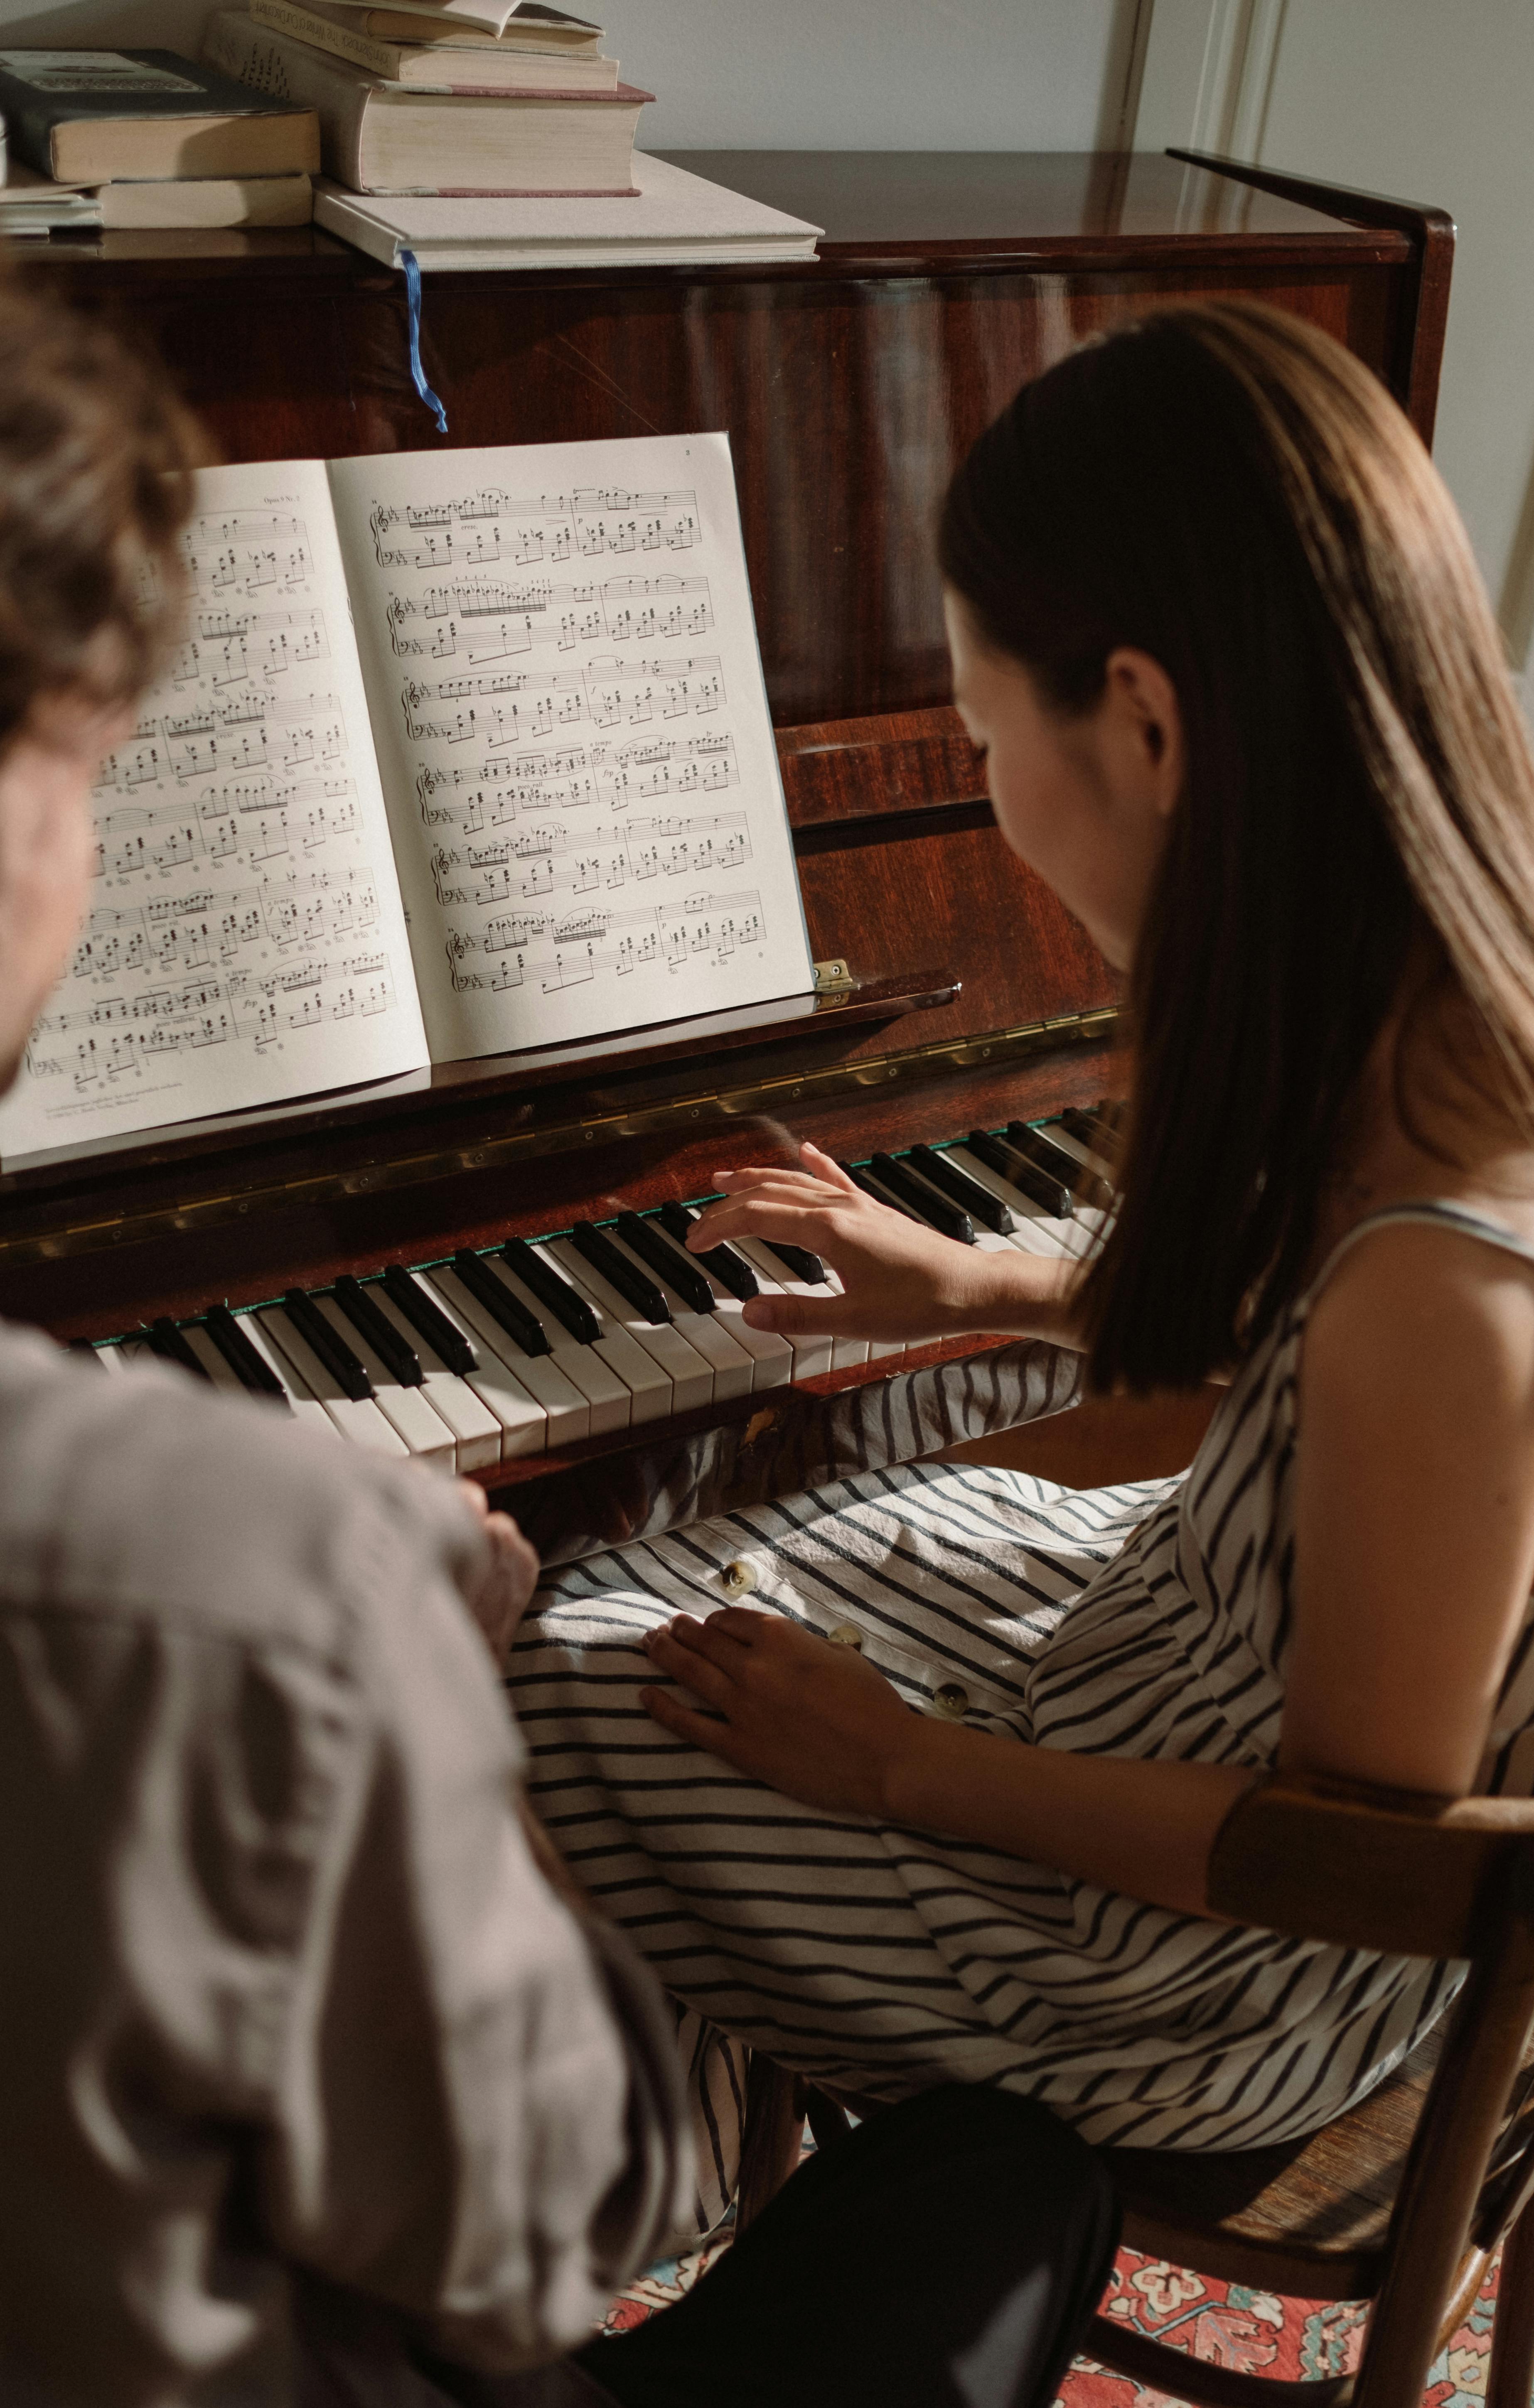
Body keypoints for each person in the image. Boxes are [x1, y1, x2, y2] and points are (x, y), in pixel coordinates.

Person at [0, 272, 1118, 2408]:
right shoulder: (248, 1586)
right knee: (998, 2183)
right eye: (86, 780)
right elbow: (564, 2216)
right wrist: (443, 1720)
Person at [516, 299, 1534, 2168]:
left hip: (1207, 1967)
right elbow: (1318, 1374)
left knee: (545, 1672)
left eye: (975, 732)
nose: (992, 801)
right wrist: (972, 1282)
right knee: (709, 1578)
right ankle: (732, 2187)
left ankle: (637, 2253)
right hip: (1164, 1653)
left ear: (1150, 720)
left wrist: (900, 1763)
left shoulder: (1453, 1276)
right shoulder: (1502, 961)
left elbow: (1342, 1856)